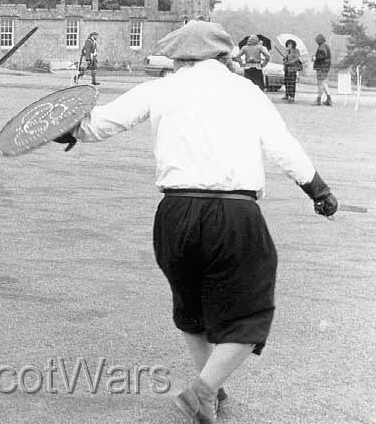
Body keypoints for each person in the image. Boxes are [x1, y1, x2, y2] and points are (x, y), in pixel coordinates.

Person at [52, 21, 338, 423]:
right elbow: (282, 147)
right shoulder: (245, 91)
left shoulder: (161, 88)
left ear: (178, 57)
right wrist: (318, 190)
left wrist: (62, 127)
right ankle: (202, 392)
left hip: (174, 214)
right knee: (250, 315)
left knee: (192, 310)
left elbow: (96, 124)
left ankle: (212, 395)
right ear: (224, 56)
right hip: (234, 215)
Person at [312, 34, 332, 106]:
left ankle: (318, 99)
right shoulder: (325, 46)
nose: (316, 41)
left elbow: (322, 56)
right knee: (323, 83)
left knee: (320, 83)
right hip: (326, 67)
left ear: (320, 40)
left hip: (321, 67)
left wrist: (315, 58)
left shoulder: (322, 47)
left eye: (317, 40)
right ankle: (329, 100)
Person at [282, 39, 301, 103]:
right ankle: (287, 94)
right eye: (288, 44)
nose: (289, 45)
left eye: (290, 44)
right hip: (286, 68)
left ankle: (292, 96)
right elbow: (285, 58)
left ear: (293, 44)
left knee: (292, 82)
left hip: (292, 68)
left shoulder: (296, 51)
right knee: (286, 81)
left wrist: (290, 62)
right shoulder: (287, 51)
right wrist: (284, 60)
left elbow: (297, 58)